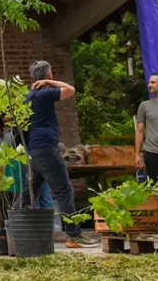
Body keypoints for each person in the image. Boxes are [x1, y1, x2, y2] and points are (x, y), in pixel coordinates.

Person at [19, 60, 99, 248]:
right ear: (48, 75)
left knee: (29, 193)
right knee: (64, 191)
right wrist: (49, 83)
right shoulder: (44, 92)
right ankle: (73, 235)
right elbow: (70, 90)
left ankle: (15, 229)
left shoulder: (28, 96)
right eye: (50, 74)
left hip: (32, 151)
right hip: (46, 149)